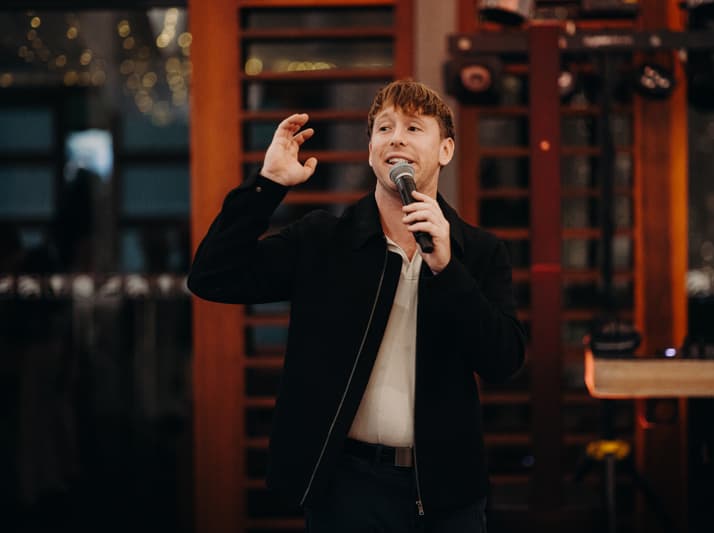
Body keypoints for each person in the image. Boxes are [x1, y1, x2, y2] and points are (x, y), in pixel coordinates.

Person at [188, 80, 525, 532]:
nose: (396, 138)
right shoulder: (323, 240)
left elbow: (503, 360)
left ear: (445, 150)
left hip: (446, 489)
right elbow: (212, 276)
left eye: (412, 127)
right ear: (370, 150)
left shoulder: (479, 252)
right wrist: (267, 186)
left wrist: (447, 268)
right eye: (384, 128)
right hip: (346, 485)